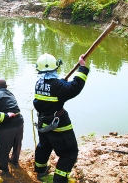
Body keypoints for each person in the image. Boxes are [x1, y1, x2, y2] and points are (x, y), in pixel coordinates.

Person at [33, 53, 89, 183]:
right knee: (69, 152)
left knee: (44, 147)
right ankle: (59, 179)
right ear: (55, 67)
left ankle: (40, 171)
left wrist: (62, 82)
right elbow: (75, 87)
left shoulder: (39, 83)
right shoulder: (58, 86)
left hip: (43, 123)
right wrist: (82, 68)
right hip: (59, 125)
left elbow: (55, 87)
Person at [0, 78, 24, 176]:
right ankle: (14, 161)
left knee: (3, 148)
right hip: (19, 122)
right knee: (17, 144)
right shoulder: (10, 93)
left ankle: (4, 169)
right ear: (6, 86)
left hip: (6, 125)